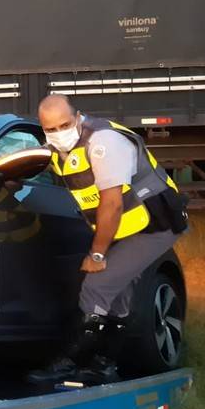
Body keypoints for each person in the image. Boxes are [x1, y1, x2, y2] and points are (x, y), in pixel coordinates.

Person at [28, 94, 188, 383]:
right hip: (125, 227)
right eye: (50, 129)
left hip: (153, 224)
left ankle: (69, 362)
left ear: (78, 117)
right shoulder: (57, 149)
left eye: (64, 125)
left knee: (97, 286)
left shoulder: (104, 142)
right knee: (117, 295)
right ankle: (104, 365)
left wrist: (97, 254)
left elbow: (112, 204)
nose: (58, 133)